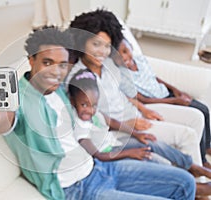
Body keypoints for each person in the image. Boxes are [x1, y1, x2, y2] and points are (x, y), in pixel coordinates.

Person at [0, 27, 197, 199]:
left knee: (185, 183)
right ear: (31, 60)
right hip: (77, 190)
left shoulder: (64, 90)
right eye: (47, 62)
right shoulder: (19, 102)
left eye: (62, 64)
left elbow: (86, 124)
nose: (55, 71)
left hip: (99, 167)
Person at [68, 8, 204, 167]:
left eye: (107, 46)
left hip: (137, 112)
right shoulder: (78, 78)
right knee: (186, 135)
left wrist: (143, 109)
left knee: (196, 117)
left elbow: (121, 93)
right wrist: (130, 124)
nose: (102, 52)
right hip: (122, 128)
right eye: (96, 44)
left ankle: (197, 166)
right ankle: (199, 182)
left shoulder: (108, 64)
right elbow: (93, 115)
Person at [68, 68, 211, 182]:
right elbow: (100, 155)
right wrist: (129, 152)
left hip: (114, 142)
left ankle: (192, 166)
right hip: (109, 152)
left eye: (93, 105)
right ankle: (185, 180)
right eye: (84, 104)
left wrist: (136, 134)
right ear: (73, 101)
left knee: (150, 141)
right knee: (152, 159)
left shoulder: (95, 112)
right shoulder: (80, 128)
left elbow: (113, 122)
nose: (90, 109)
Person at [117, 38, 211, 167]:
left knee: (204, 109)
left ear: (131, 48)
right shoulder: (122, 75)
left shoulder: (140, 60)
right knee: (198, 112)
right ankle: (203, 160)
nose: (123, 56)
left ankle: (206, 146)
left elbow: (154, 77)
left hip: (167, 94)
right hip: (158, 101)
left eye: (125, 51)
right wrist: (174, 101)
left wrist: (176, 90)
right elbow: (142, 99)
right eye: (118, 55)